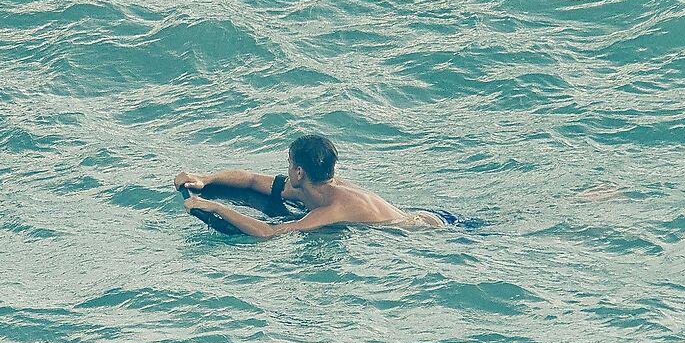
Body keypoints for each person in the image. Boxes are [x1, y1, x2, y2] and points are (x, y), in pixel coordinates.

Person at [175, 133, 471, 238]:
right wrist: (206, 179)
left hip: (433, 231)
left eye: (289, 163)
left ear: (300, 171)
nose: (286, 168)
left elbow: (269, 233)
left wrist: (214, 207)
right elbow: (252, 180)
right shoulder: (313, 186)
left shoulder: (333, 207)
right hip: (433, 215)